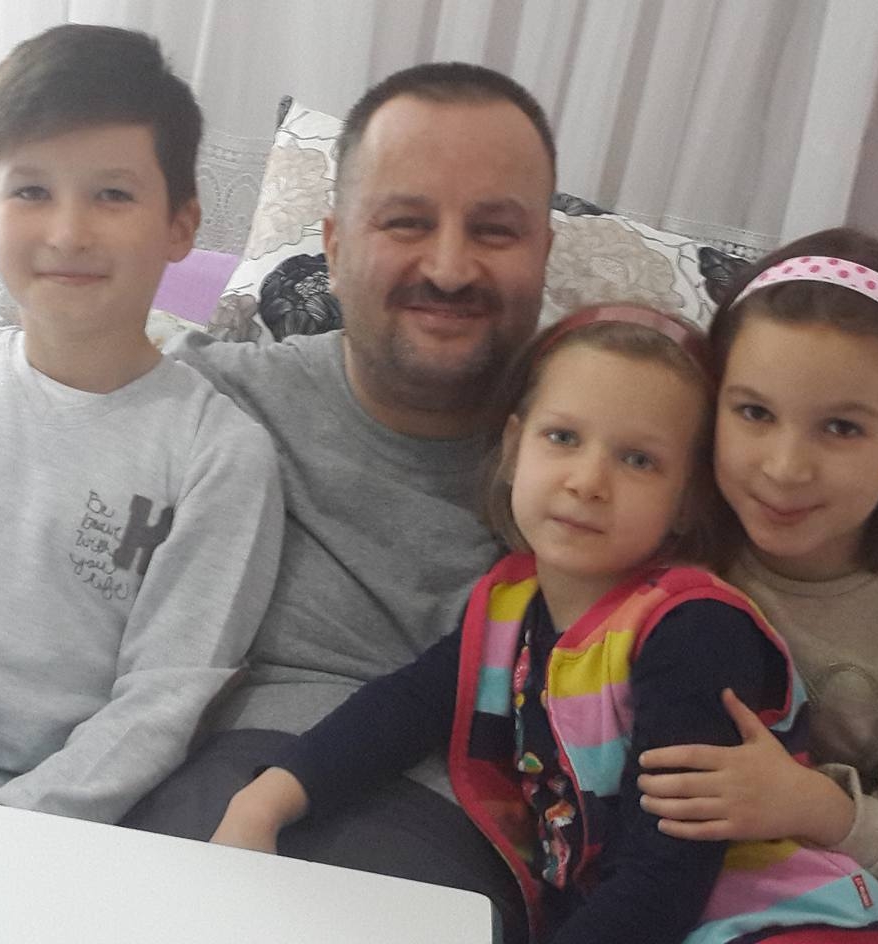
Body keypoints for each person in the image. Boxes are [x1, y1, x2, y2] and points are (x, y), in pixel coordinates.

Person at [210, 305, 878, 944]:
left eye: (638, 459)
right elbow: (407, 706)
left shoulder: (694, 631)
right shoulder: (511, 604)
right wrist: (266, 801)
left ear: (687, 498)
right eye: (563, 437)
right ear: (515, 448)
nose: (587, 481)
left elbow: (666, 876)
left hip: (778, 924)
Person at [120, 61, 555, 930]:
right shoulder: (207, 406)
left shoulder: (616, 462)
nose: (449, 267)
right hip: (196, 810)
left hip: (454, 846)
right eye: (406, 222)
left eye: (495, 230)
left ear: (545, 252)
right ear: (333, 242)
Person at [0, 24, 284, 824]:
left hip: (35, 817)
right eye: (30, 191)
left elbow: (159, 705)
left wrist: (7, 834)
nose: (68, 232)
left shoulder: (218, 455)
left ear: (181, 224)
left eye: (112, 195)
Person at [636, 228, 878, 940]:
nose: (784, 467)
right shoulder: (656, 527)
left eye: (841, 428)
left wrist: (816, 807)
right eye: (754, 413)